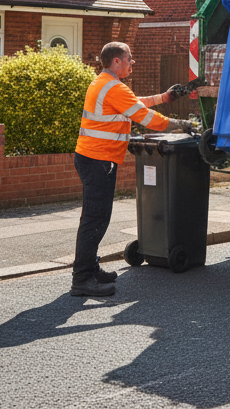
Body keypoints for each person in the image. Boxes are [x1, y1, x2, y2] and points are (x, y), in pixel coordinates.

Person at [72, 42, 189, 297]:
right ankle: (81, 278)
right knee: (95, 218)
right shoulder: (113, 87)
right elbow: (145, 117)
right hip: (98, 160)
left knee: (96, 216)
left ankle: (90, 268)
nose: (132, 62)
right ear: (116, 61)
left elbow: (134, 104)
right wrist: (180, 124)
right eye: (129, 58)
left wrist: (164, 98)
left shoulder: (104, 82)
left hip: (93, 158)